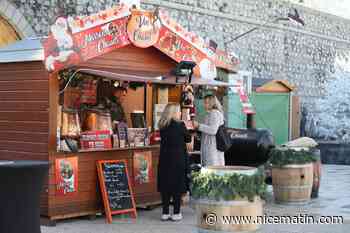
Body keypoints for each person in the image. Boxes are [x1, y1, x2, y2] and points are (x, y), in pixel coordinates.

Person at [157, 103, 191, 221]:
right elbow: (188, 138)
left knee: (165, 185)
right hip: (178, 158)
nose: (180, 113)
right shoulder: (180, 125)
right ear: (174, 112)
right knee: (177, 185)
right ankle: (176, 213)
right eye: (179, 111)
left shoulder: (162, 125)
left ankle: (165, 213)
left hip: (165, 158)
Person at [193, 94, 225, 166]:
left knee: (212, 168)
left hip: (212, 147)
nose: (204, 105)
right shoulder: (210, 113)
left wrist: (198, 125)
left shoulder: (214, 113)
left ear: (211, 103)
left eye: (206, 103)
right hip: (210, 146)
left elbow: (213, 130)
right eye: (204, 102)